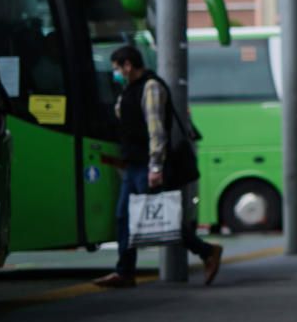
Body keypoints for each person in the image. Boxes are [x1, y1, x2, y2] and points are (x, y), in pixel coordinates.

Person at [94, 46, 223, 288]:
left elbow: (156, 131)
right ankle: (125, 271)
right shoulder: (129, 89)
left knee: (164, 217)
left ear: (128, 65)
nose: (116, 74)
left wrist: (155, 166)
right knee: (124, 217)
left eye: (117, 69)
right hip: (133, 166)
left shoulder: (151, 87)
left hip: (147, 166)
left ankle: (207, 251)